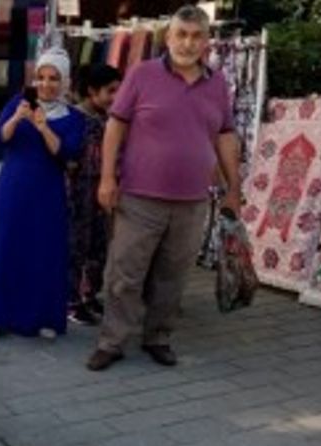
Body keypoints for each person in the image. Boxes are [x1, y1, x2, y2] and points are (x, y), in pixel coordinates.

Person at [87, 5, 241, 371]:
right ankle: (112, 342)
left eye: (196, 35)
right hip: (140, 197)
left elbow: (225, 135)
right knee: (125, 274)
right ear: (168, 37)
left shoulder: (217, 83)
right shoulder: (142, 74)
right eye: (181, 34)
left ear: (206, 41)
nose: (188, 43)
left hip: (192, 201)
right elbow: (115, 127)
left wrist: (234, 187)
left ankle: (158, 337)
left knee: (173, 276)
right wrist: (108, 178)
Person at [0, 47, 85, 343]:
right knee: (4, 249)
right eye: (41, 77)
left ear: (64, 82)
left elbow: (67, 153)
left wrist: (43, 127)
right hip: (12, 190)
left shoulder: (74, 117)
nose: (46, 84)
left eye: (53, 78)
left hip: (47, 193)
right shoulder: (18, 102)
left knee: (44, 252)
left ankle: (44, 316)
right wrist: (16, 119)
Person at [67, 65, 122, 325]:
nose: (116, 96)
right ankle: (72, 300)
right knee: (79, 245)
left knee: (99, 245)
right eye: (110, 91)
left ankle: (89, 295)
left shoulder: (108, 118)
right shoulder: (76, 118)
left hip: (102, 189)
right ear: (92, 91)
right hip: (81, 191)